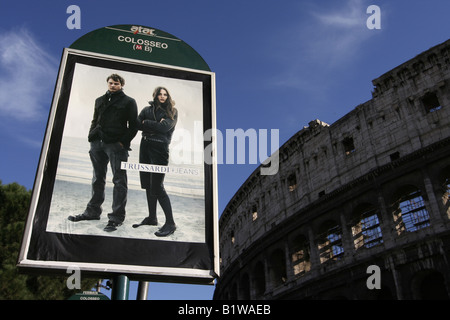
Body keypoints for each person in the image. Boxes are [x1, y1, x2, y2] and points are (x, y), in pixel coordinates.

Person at [68, 74, 138, 232]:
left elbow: (134, 126)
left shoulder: (129, 101)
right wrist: (91, 136)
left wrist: (122, 143)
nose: (113, 85)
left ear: (121, 85)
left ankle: (116, 218)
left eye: (116, 83)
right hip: (97, 143)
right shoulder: (99, 100)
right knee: (97, 178)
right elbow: (95, 119)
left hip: (115, 145)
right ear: (107, 83)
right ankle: (92, 212)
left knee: (119, 181)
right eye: (111, 83)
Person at [132, 86, 177, 237]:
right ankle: (152, 218)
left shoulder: (172, 111)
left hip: (160, 149)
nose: (162, 96)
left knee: (157, 187)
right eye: (160, 94)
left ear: (168, 96)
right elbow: (137, 124)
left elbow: (164, 128)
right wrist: (152, 124)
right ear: (155, 95)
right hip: (145, 147)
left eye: (165, 94)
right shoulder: (146, 109)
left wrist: (147, 123)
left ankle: (170, 223)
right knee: (147, 184)